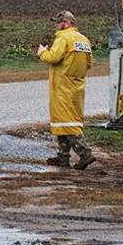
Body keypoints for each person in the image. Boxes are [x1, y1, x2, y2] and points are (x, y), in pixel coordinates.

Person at [36, 10, 95, 169]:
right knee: (64, 121)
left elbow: (52, 58)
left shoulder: (63, 38)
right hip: (77, 86)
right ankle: (63, 156)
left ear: (66, 23)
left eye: (57, 22)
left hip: (62, 87)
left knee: (68, 124)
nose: (55, 26)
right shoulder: (84, 40)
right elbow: (89, 64)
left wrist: (42, 52)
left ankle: (85, 153)